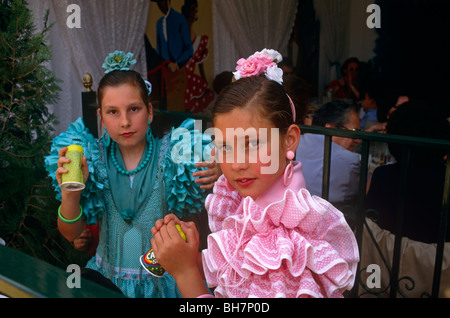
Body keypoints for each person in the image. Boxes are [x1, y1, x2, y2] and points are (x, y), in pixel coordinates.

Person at [150, 50, 359, 298]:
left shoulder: (287, 246)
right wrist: (189, 255)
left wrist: (186, 273)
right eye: (225, 147)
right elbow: (237, 273)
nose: (237, 164)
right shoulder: (254, 203)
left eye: (252, 144)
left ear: (289, 140)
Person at [44, 51, 220, 298]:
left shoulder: (177, 155)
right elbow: (71, 234)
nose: (124, 122)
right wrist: (70, 193)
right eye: (113, 112)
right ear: (101, 118)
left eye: (134, 109)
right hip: (106, 285)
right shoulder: (91, 159)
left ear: (149, 112)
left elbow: (237, 180)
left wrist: (220, 169)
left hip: (166, 285)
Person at [365, 100, 450, 243]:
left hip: (385, 262)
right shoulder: (446, 180)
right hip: (439, 264)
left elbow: (369, 226)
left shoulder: (381, 176)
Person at [295, 101, 361, 214]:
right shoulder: (350, 161)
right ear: (331, 128)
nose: (358, 140)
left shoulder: (294, 143)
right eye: (355, 132)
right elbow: (359, 194)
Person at [181, 0, 214, 113]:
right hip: (179, 79)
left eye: (195, 11)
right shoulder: (177, 39)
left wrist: (205, 84)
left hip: (192, 81)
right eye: (191, 10)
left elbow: (200, 65)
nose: (193, 14)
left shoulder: (200, 41)